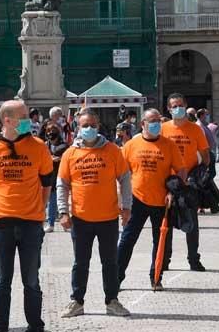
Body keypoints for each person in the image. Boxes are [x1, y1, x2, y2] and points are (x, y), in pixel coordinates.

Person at [0, 100, 59, 332]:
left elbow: (47, 183)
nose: (29, 120)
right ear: (8, 120)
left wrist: (38, 209)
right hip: (1, 222)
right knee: (2, 279)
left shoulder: (38, 146)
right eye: (23, 116)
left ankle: (35, 330)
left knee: (31, 280)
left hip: (31, 222)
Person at [57, 108, 132, 318]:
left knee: (110, 262)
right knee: (80, 262)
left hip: (108, 217)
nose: (89, 128)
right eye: (84, 125)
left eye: (92, 125)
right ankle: (77, 301)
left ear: (99, 127)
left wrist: (127, 207)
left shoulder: (112, 150)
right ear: (77, 127)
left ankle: (112, 300)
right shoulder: (70, 154)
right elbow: (62, 185)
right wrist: (63, 212)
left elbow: (125, 179)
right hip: (80, 219)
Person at [117, 108, 185, 290]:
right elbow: (122, 174)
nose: (156, 124)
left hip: (163, 202)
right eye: (151, 121)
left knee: (161, 241)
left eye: (158, 121)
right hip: (136, 200)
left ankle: (156, 277)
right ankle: (116, 278)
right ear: (142, 124)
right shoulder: (131, 145)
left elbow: (181, 170)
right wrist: (122, 201)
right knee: (127, 240)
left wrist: (174, 191)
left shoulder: (169, 145)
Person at [161, 93, 209, 271]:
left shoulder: (196, 129)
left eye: (180, 105)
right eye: (174, 105)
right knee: (167, 223)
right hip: (167, 183)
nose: (177, 108)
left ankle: (193, 259)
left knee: (192, 223)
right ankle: (165, 260)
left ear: (186, 105)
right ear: (168, 108)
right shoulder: (163, 129)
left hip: (188, 182)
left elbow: (205, 157)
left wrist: (197, 174)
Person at [44, 121, 67, 233]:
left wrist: (60, 158)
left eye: (53, 131)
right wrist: (50, 158)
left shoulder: (64, 146)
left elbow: (67, 157)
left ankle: (65, 221)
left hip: (61, 176)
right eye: (48, 131)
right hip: (50, 177)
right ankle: (51, 223)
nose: (50, 133)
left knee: (63, 200)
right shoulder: (44, 145)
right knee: (51, 201)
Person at [196, 108, 217, 180]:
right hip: (204, 153)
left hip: (208, 151)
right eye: (207, 114)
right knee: (208, 174)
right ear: (202, 116)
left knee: (211, 173)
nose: (208, 116)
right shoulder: (199, 126)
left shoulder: (204, 125)